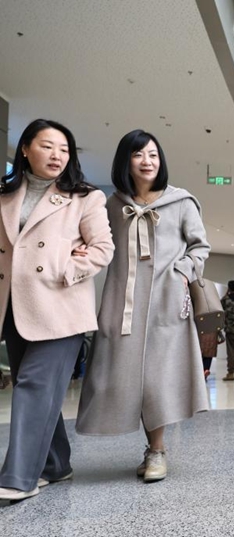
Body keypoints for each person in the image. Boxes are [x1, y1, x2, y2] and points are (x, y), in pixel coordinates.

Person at [76, 129, 211, 483]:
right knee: (116, 376)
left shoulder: (182, 202)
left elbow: (200, 248)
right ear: (126, 161)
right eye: (139, 155)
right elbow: (94, 241)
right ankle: (138, 442)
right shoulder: (110, 205)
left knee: (158, 380)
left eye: (153, 154)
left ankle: (157, 451)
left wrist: (182, 272)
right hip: (122, 302)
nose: (148, 161)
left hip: (167, 303)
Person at [0, 119, 114, 501]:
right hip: (13, 307)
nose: (57, 156)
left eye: (64, 149)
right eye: (48, 146)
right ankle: (56, 465)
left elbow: (102, 248)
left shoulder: (85, 197)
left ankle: (18, 478)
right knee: (36, 387)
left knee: (34, 386)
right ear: (26, 149)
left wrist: (66, 267)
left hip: (60, 307)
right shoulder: (4, 195)